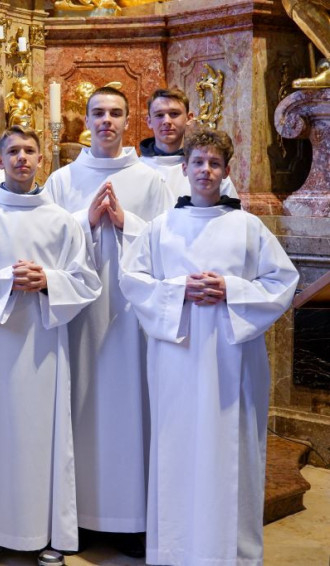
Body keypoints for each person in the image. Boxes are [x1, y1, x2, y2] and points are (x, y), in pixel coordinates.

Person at [120, 128, 299, 565]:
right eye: (198, 162)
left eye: (214, 164)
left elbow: (282, 282)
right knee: (176, 447)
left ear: (226, 171)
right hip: (177, 357)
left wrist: (231, 289)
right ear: (184, 168)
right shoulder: (161, 227)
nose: (205, 170)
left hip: (232, 358)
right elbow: (133, 281)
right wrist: (179, 289)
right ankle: (175, 551)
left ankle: (232, 554)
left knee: (232, 450)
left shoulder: (248, 227)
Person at [0, 126, 101, 566]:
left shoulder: (62, 221)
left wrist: (48, 280)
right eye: (13, 151)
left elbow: (87, 281)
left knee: (41, 436)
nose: (22, 158)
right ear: (2, 159)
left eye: (29, 150)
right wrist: (5, 280)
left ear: (41, 159)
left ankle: (47, 533)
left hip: (43, 345)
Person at [45, 86, 170, 557]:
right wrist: (86, 220)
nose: (106, 121)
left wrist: (125, 223)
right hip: (79, 314)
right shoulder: (62, 180)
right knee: (79, 404)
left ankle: (130, 518)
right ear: (86, 120)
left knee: (131, 407)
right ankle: (76, 517)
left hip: (130, 316)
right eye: (98, 112)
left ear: (129, 120)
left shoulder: (150, 180)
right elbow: (46, 239)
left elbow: (166, 241)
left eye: (116, 113)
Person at [139, 87, 237, 200]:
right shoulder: (138, 169)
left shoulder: (209, 169)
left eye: (174, 114)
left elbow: (231, 210)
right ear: (149, 121)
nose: (166, 121)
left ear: (189, 118)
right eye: (159, 115)